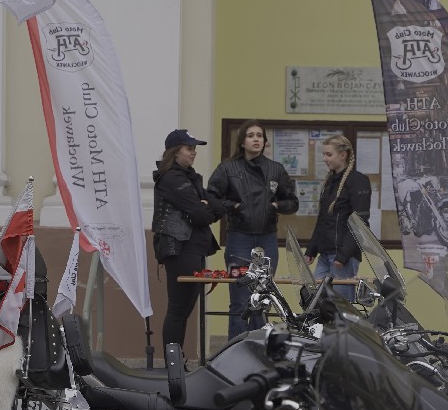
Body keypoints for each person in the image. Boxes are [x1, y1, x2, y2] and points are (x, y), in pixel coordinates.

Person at [206, 120, 299, 338]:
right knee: (240, 299)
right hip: (239, 238)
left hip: (267, 239)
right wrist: (233, 206)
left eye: (260, 136)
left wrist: (275, 205)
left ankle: (259, 347)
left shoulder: (276, 169)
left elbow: (292, 202)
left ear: (265, 141)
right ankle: (237, 347)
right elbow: (211, 197)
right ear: (242, 142)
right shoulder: (228, 168)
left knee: (262, 297)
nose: (256, 139)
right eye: (251, 135)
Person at [151, 129, 223, 357]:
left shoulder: (190, 177)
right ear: (175, 152)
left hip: (194, 247)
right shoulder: (171, 178)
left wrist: (205, 207)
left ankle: (176, 361)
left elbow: (217, 207)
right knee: (178, 309)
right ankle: (173, 364)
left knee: (184, 310)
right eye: (189, 148)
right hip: (180, 247)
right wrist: (203, 208)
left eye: (194, 149)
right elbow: (200, 215)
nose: (194, 153)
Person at [304, 133, 372, 300]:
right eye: (324, 154)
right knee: (316, 300)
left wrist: (344, 255)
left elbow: (360, 222)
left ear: (343, 155)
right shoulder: (330, 182)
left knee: (341, 305)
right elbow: (322, 219)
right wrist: (312, 249)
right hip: (325, 252)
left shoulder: (358, 181)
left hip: (343, 256)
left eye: (329, 154)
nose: (325, 159)